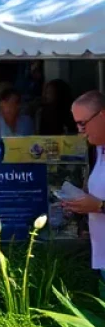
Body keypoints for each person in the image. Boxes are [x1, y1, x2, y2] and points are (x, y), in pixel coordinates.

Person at [60, 91, 105, 280]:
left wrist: (99, 206)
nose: (80, 131)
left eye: (82, 123)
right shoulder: (99, 149)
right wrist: (80, 203)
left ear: (102, 115)